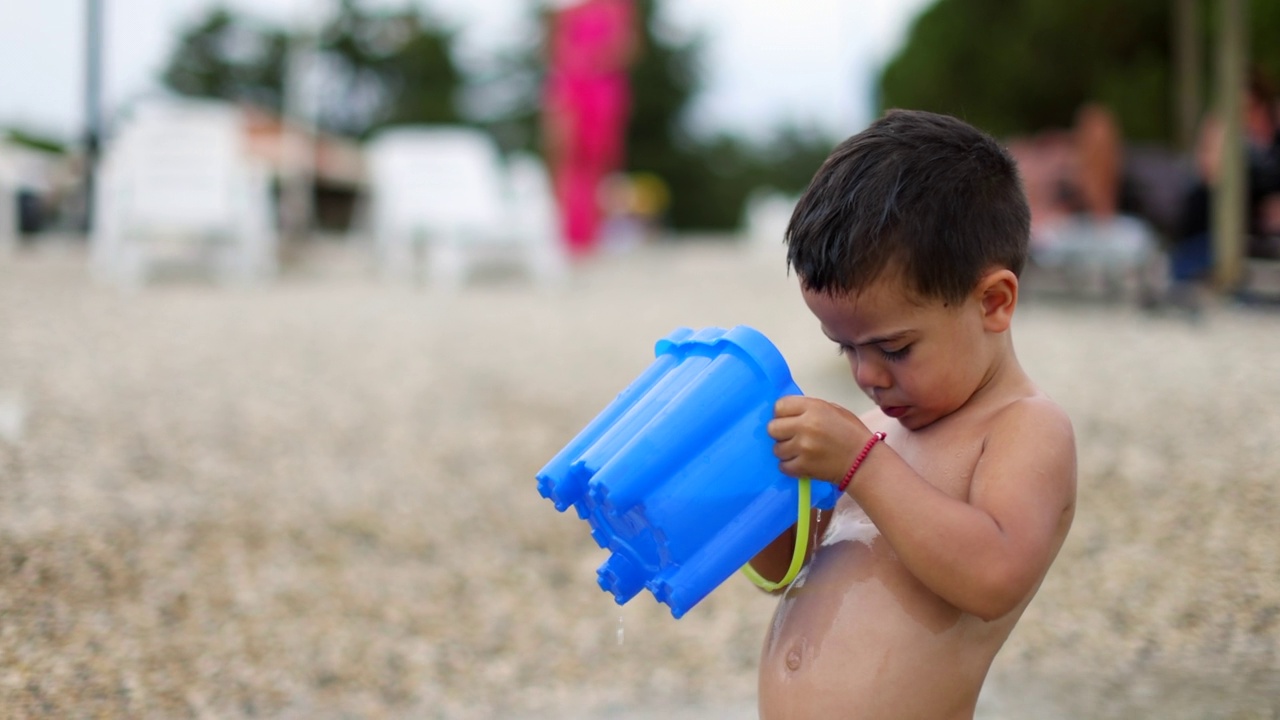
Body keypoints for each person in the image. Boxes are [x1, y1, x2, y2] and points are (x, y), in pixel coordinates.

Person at [751, 109, 1078, 720]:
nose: (866, 375)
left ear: (994, 302)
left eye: (894, 349)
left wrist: (860, 466)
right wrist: (747, 489)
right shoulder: (880, 433)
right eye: (845, 347)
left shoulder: (1024, 429)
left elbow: (993, 577)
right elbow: (788, 566)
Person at [541, 0, 639, 258]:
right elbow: (555, 51)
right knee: (567, 163)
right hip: (572, 91)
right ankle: (566, 236)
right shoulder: (568, 11)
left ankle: (590, 237)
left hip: (602, 92)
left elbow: (626, 48)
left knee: (599, 165)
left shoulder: (620, 7)